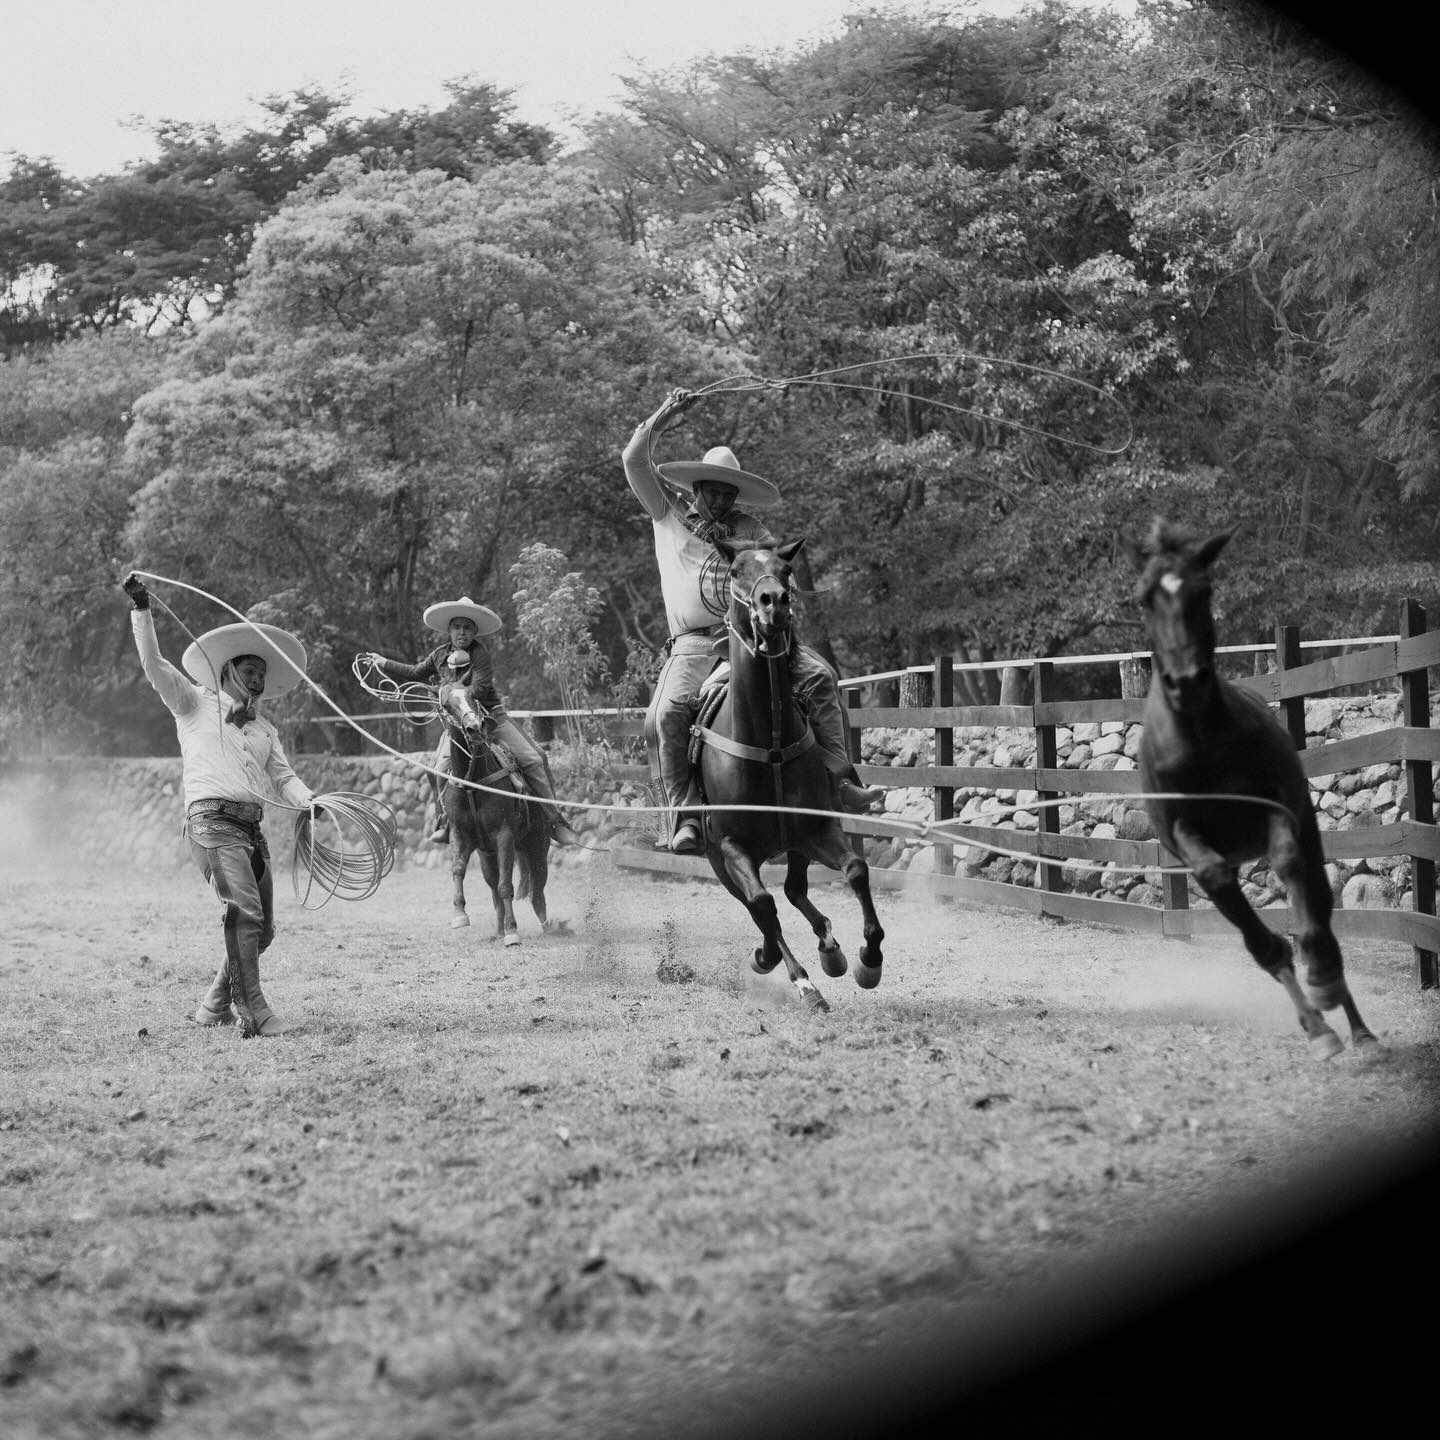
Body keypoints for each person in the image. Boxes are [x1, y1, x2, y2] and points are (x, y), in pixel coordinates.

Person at [623, 387, 883, 853]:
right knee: (667, 713)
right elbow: (633, 461)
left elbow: (772, 563)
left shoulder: (751, 530)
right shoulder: (668, 513)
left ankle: (839, 781)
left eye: (728, 493)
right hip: (694, 646)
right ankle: (685, 814)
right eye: (713, 491)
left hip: (750, 637)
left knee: (822, 678)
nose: (720, 500)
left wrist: (755, 562)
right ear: (696, 488)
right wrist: (665, 413)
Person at [121, 572, 318, 1038]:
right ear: (228, 670)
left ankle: (213, 1004)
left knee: (263, 929)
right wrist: (142, 610)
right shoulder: (192, 702)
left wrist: (309, 801)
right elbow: (153, 663)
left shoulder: (265, 730)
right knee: (245, 913)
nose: (257, 680)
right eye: (250, 671)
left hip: (252, 828)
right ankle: (256, 1013)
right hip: (210, 823)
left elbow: (284, 779)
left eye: (262, 675)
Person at [357, 597, 583, 848]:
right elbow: (414, 672)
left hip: (491, 721)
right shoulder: (438, 655)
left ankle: (555, 822)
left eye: (467, 627)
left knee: (536, 758)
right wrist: (384, 663)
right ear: (449, 630)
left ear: (474, 631)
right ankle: (444, 822)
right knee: (438, 771)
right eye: (457, 627)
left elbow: (481, 687)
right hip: (457, 728)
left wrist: (447, 692)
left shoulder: (480, 654)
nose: (462, 632)